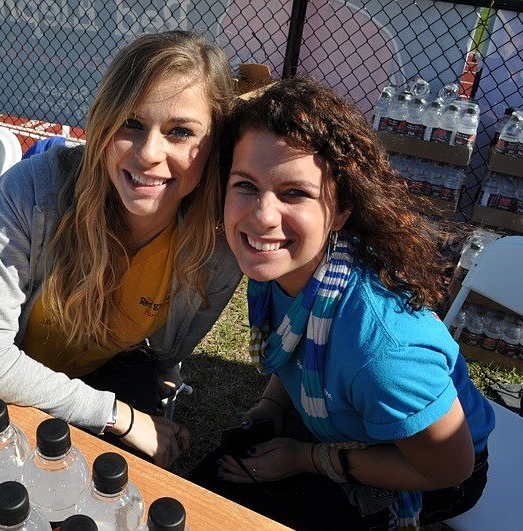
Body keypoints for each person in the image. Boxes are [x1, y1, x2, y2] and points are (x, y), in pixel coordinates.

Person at [190, 76, 495, 530]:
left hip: (429, 470)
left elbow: (451, 468)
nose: (261, 216)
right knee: (205, 487)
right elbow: (298, 349)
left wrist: (309, 459)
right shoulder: (285, 270)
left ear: (342, 211)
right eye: (246, 185)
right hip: (337, 429)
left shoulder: (384, 353)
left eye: (295, 193)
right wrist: (273, 408)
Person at [0, 31, 242, 468]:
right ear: (103, 121)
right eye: (131, 123)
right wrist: (119, 416)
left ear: (214, 147)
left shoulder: (218, 247)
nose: (148, 153)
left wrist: (157, 383)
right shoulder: (33, 190)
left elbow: (169, 353)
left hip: (108, 370)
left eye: (180, 132)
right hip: (10, 381)